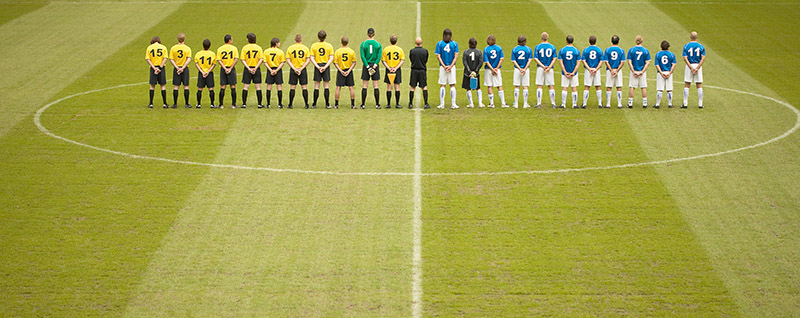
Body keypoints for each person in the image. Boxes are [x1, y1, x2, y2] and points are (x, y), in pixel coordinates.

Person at [435, 28, 459, 109]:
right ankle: (453, 104)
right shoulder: (455, 44)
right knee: (452, 85)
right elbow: (456, 56)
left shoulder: (439, 43)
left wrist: (444, 66)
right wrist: (451, 66)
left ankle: (442, 104)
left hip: (443, 67)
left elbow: (438, 56)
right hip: (452, 67)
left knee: (443, 85)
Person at [310, 30, 334, 108]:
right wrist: (325, 67)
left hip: (318, 66)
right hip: (325, 66)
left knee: (316, 85)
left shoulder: (314, 46)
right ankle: (327, 104)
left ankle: (314, 104)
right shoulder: (329, 46)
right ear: (325, 37)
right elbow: (331, 58)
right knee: (326, 85)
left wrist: (318, 66)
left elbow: (312, 58)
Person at [286, 34, 311, 109]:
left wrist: (294, 69)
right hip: (302, 69)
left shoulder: (290, 48)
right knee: (304, 87)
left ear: (295, 40)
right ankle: (306, 104)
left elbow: (288, 60)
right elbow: (308, 60)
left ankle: (290, 104)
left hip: (293, 69)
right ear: (301, 40)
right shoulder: (305, 48)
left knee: (292, 86)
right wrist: (301, 68)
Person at [360, 28, 382, 109]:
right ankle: (377, 104)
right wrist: (375, 65)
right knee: (375, 85)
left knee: (365, 85)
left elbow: (362, 56)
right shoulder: (378, 44)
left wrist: (367, 66)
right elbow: (379, 56)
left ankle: (363, 104)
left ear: (367, 34)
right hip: (375, 66)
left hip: (367, 66)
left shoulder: (363, 44)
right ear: (374, 34)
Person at [239, 32, 264, 108]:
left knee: (246, 86)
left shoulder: (245, 48)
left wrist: (248, 68)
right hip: (256, 68)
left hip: (248, 68)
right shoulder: (258, 48)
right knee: (258, 86)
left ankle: (244, 104)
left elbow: (242, 59)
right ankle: (259, 104)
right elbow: (261, 59)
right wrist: (256, 67)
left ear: (247, 39)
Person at [682, 31, 706, 108]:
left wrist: (691, 68)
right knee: (699, 85)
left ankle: (685, 103)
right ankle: (700, 104)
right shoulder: (701, 46)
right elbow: (703, 58)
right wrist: (697, 68)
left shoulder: (686, 46)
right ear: (697, 37)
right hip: (698, 65)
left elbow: (685, 58)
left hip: (689, 66)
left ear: (690, 37)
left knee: (687, 84)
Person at [534, 32, 557, 108]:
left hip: (540, 68)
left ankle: (538, 103)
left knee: (540, 85)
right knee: (551, 86)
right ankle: (553, 103)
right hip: (549, 69)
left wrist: (543, 66)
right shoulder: (552, 47)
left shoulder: (537, 47)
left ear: (541, 38)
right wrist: (549, 67)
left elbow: (536, 58)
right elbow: (554, 58)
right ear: (548, 38)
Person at [169, 33, 192, 108]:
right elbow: (188, 59)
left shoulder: (173, 48)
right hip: (184, 69)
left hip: (177, 68)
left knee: (176, 86)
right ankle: (187, 104)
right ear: (184, 39)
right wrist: (183, 68)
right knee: (186, 86)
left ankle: (175, 104)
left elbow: (171, 59)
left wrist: (177, 67)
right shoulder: (187, 48)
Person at [627, 35, 651, 108]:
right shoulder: (645, 50)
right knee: (643, 87)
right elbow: (648, 62)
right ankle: (644, 103)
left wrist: (633, 71)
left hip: (634, 71)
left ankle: (630, 103)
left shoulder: (631, 50)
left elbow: (629, 61)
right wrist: (642, 71)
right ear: (642, 41)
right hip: (641, 71)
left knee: (632, 87)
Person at [333, 36, 357, 109]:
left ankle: (336, 105)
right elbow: (354, 62)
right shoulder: (351, 51)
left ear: (341, 42)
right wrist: (349, 71)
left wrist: (340, 71)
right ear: (347, 42)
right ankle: (353, 105)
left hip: (341, 70)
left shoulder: (338, 51)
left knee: (338, 87)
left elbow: (335, 62)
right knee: (351, 87)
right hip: (349, 70)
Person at [382, 34, 405, 109]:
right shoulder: (399, 49)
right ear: (396, 41)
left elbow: (383, 61)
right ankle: (397, 104)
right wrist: (396, 68)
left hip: (388, 70)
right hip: (397, 70)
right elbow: (402, 60)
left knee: (389, 87)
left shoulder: (386, 49)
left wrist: (389, 68)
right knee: (397, 87)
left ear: (390, 41)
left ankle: (388, 104)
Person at [558, 35, 581, 108]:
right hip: (573, 72)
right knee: (574, 87)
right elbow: (578, 63)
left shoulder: (562, 50)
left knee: (565, 87)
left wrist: (565, 71)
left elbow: (561, 62)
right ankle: (574, 104)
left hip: (565, 72)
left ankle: (563, 104)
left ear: (566, 41)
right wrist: (573, 72)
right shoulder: (576, 51)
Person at [603, 35, 626, 108]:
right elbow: (622, 62)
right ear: (618, 41)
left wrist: (611, 70)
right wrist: (617, 71)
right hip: (618, 70)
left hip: (610, 70)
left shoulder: (607, 50)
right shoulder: (621, 50)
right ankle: (619, 104)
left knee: (609, 86)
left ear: (611, 41)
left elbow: (606, 61)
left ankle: (608, 104)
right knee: (618, 86)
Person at [216, 34, 239, 108]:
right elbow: (236, 59)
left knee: (223, 86)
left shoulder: (220, 49)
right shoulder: (234, 48)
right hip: (231, 69)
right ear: (229, 40)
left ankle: (221, 104)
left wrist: (225, 69)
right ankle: (233, 104)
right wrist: (230, 68)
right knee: (233, 86)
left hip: (223, 69)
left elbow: (219, 60)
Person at [483, 35, 505, 108]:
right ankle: (503, 103)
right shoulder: (499, 48)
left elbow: (486, 61)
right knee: (499, 86)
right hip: (497, 70)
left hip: (488, 70)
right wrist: (496, 68)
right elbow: (502, 58)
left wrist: (492, 69)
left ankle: (492, 104)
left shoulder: (486, 49)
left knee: (490, 86)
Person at [145, 36, 168, 108]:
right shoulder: (163, 47)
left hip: (153, 68)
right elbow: (165, 58)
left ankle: (151, 103)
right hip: (161, 68)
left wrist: (154, 68)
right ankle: (164, 103)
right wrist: (160, 67)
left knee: (152, 86)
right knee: (163, 85)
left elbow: (147, 59)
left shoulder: (149, 48)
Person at [582, 35, 604, 108]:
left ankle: (584, 104)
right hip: (596, 70)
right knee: (598, 86)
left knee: (587, 86)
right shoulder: (599, 50)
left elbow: (584, 61)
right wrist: (596, 69)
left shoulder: (586, 50)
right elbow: (601, 61)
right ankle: (600, 104)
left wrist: (589, 69)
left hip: (588, 71)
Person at [511, 35, 533, 108]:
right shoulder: (528, 49)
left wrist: (519, 68)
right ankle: (525, 104)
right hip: (526, 70)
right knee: (525, 86)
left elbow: (513, 60)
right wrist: (524, 69)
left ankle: (516, 104)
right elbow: (530, 60)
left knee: (517, 86)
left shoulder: (514, 49)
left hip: (517, 70)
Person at [263, 37, 286, 108]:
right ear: (276, 44)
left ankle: (268, 104)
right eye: (279, 43)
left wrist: (270, 70)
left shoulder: (266, 51)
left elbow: (265, 62)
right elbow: (282, 62)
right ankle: (279, 104)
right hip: (277, 70)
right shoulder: (280, 52)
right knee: (279, 87)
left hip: (270, 70)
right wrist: (276, 70)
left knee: (269, 87)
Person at [194, 39, 216, 108]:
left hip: (201, 73)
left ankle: (198, 104)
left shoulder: (198, 54)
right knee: (211, 89)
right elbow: (214, 64)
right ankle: (212, 104)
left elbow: (196, 63)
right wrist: (208, 72)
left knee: (200, 89)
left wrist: (202, 72)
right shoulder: (212, 54)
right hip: (209, 73)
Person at [655, 40, 677, 108]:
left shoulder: (658, 54)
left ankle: (657, 104)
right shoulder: (672, 54)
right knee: (669, 89)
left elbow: (657, 64)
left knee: (660, 89)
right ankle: (670, 104)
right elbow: (674, 64)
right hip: (668, 72)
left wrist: (661, 73)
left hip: (660, 73)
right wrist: (670, 73)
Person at [462, 37, 483, 108]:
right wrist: (476, 71)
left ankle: (471, 103)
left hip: (467, 73)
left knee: (468, 88)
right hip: (476, 73)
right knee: (478, 87)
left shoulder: (466, 52)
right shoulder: (479, 52)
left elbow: (464, 62)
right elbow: (480, 62)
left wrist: (469, 71)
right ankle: (480, 103)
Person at [408, 37, 429, 109]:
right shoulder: (425, 51)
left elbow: (411, 59)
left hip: (414, 70)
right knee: (424, 87)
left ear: (415, 43)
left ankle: (410, 103)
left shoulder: (412, 51)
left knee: (412, 87)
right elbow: (426, 60)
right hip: (422, 70)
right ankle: (426, 103)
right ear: (421, 43)